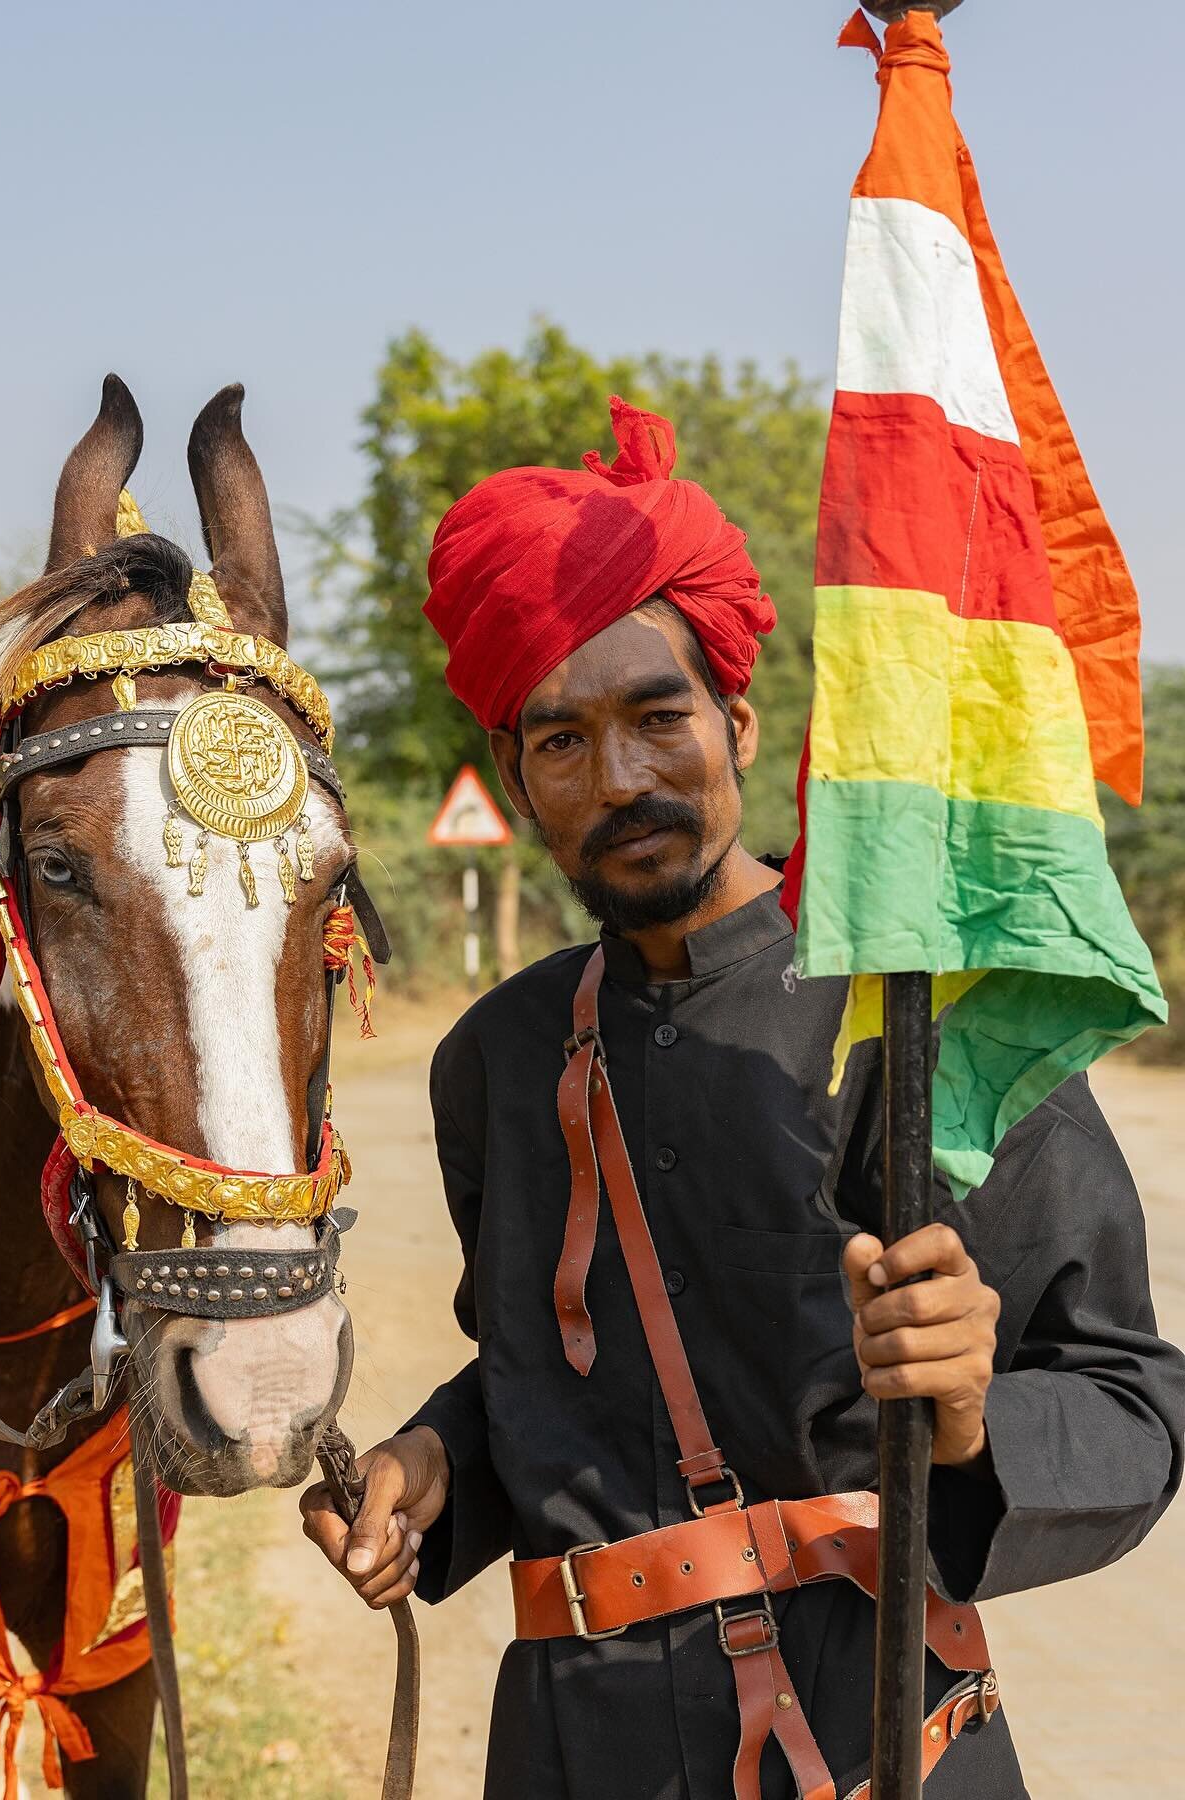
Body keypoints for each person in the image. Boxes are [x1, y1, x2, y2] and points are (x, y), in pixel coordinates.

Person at [300, 398, 1185, 1798]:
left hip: (878, 1742)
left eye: (660, 717)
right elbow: (553, 1382)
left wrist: (970, 1415)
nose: (623, 777)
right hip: (573, 1753)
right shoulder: (498, 1057)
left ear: (739, 720)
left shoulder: (919, 1008)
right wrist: (433, 1462)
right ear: (522, 779)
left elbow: (1130, 1405)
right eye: (564, 741)